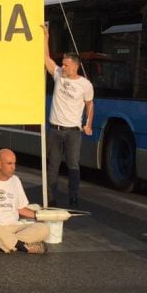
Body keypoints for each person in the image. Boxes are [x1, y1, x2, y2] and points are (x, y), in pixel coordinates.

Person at [44, 24, 93, 207]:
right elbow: (46, 58)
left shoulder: (85, 85)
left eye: (65, 64)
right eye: (62, 64)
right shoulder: (58, 75)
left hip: (73, 131)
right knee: (53, 165)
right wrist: (46, 37)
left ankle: (74, 198)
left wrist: (88, 124)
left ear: (75, 66)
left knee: (73, 165)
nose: (62, 66)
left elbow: (90, 104)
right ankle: (50, 198)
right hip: (55, 129)